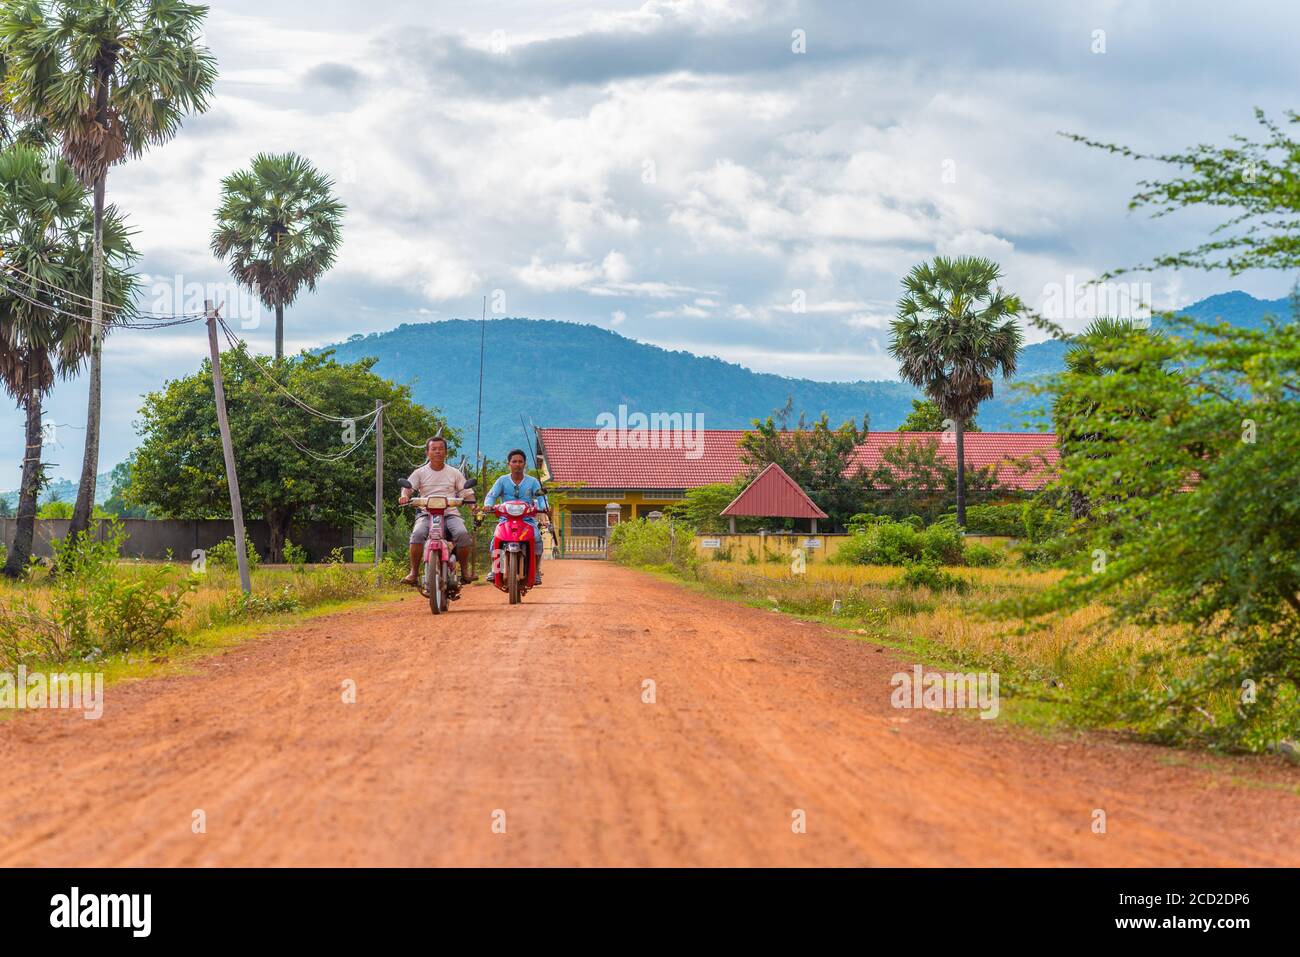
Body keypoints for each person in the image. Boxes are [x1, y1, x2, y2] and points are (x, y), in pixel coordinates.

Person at [399, 435, 476, 585]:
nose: (437, 452)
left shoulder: (454, 473)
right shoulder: (419, 473)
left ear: (446, 452)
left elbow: (467, 492)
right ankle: (414, 572)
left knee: (462, 534)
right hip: (426, 514)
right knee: (417, 534)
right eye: (434, 449)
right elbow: (408, 488)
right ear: (427, 452)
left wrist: (473, 505)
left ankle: (465, 571)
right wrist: (404, 496)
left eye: (441, 449)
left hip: (450, 514)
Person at [481, 449, 549, 586]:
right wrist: (488, 505)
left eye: (520, 461)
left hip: (527, 520)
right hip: (505, 519)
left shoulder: (533, 481)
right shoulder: (502, 481)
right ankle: (495, 569)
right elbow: (491, 496)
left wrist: (545, 506)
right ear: (509, 464)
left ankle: (535, 571)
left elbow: (541, 497)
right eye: (514, 461)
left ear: (525, 464)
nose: (517, 464)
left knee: (536, 538)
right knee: (496, 539)